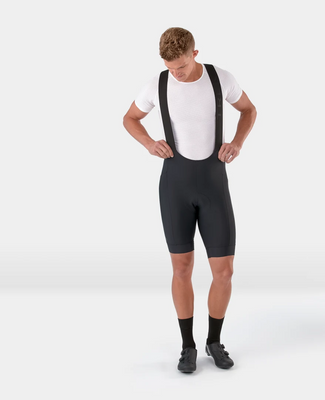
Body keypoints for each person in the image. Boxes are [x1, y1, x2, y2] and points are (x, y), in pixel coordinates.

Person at [122, 27, 256, 373]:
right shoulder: (157, 85)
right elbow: (130, 118)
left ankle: (214, 341)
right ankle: (187, 347)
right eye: (169, 67)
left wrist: (237, 143)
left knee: (224, 271)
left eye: (180, 66)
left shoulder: (220, 79)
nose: (176, 74)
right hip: (175, 188)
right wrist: (149, 142)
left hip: (214, 186)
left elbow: (248, 110)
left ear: (195, 54)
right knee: (181, 268)